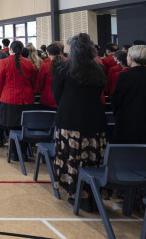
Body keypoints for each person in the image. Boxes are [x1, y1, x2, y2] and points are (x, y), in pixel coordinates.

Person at [52, 33, 107, 212]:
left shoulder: (63, 68)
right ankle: (91, 191)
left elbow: (56, 92)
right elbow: (100, 90)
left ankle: (75, 191)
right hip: (94, 118)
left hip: (69, 118)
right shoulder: (98, 68)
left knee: (71, 156)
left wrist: (66, 105)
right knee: (91, 155)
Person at [0, 41, 37, 159]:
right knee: (24, 126)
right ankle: (23, 152)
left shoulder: (3, 62)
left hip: (9, 98)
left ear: (10, 49)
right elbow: (33, 81)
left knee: (13, 127)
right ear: (22, 50)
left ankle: (13, 152)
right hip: (27, 99)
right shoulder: (29, 63)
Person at [111, 45, 146, 144]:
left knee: (128, 151)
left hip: (127, 122)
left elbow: (116, 100)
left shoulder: (124, 76)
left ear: (131, 57)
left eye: (128, 55)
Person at [35, 44, 64, 109]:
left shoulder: (45, 66)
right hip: (62, 99)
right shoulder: (66, 65)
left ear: (48, 53)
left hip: (47, 98)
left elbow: (40, 84)